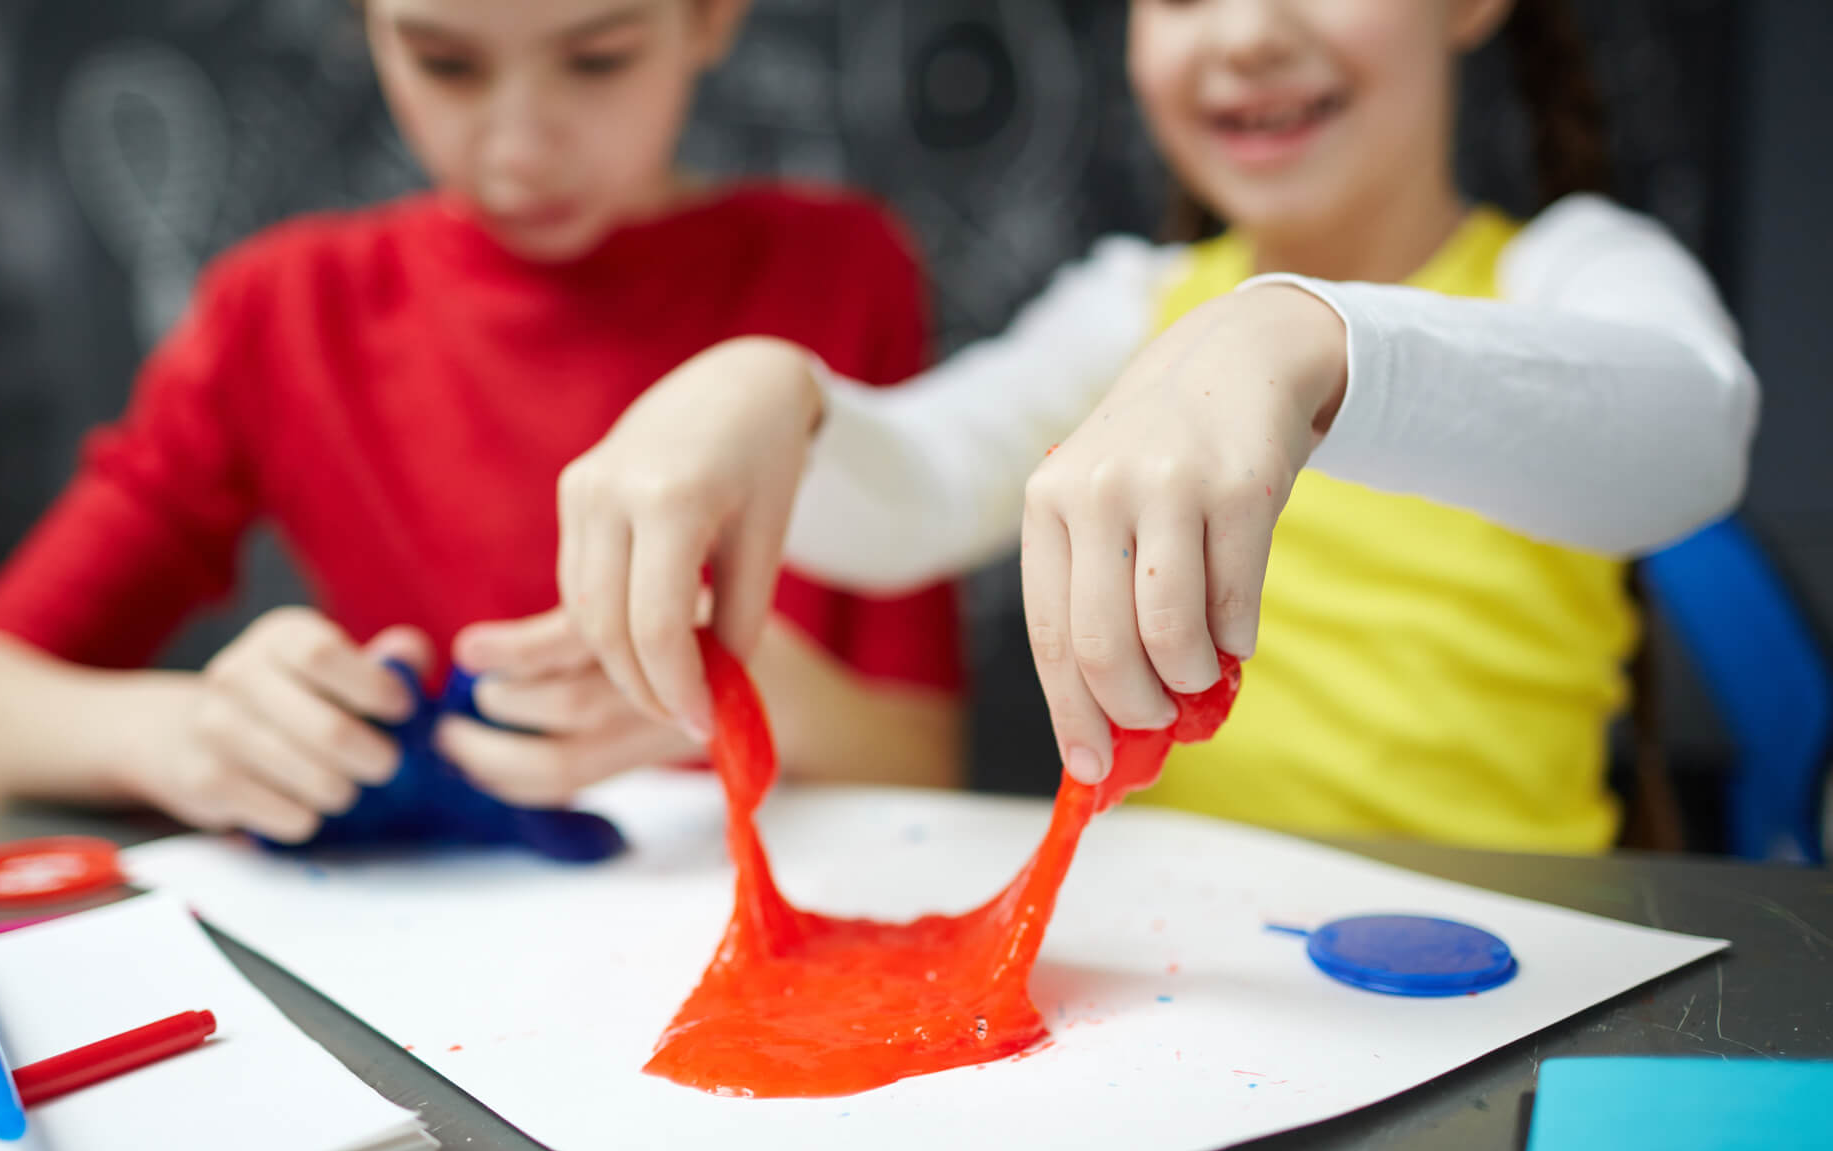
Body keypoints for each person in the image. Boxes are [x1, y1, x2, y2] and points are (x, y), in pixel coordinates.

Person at [553, 0, 1757, 852]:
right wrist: (773, 394)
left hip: (1506, 958)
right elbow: (919, 488)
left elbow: (1689, 437)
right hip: (1206, 976)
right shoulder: (1125, 307)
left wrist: (1309, 341)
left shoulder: (1569, 269)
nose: (1242, 33)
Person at [0, 0, 964, 845]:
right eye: (445, 63)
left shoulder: (841, 270)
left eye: (597, 59)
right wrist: (187, 735)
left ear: (711, 17)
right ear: (368, 28)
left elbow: (926, 761)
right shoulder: (279, 313)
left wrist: (734, 670)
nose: (519, 148)